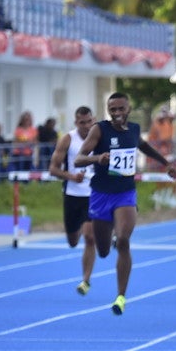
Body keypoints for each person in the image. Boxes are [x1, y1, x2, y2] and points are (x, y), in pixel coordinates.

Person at [74, 92, 176, 314]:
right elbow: (78, 159)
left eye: (120, 108)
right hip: (101, 195)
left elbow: (144, 146)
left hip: (125, 194)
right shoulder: (99, 130)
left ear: (128, 109)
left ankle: (120, 297)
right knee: (103, 250)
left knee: (123, 241)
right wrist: (97, 158)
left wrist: (166, 164)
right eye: (112, 109)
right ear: (108, 111)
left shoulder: (133, 130)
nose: (117, 113)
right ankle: (110, 240)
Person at [49, 106, 97, 295]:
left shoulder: (99, 138)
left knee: (90, 237)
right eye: (82, 122)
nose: (86, 126)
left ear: (93, 120)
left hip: (93, 195)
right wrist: (71, 177)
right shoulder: (68, 139)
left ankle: (85, 280)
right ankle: (82, 231)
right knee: (72, 241)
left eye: (89, 121)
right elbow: (53, 169)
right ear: (76, 123)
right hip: (72, 195)